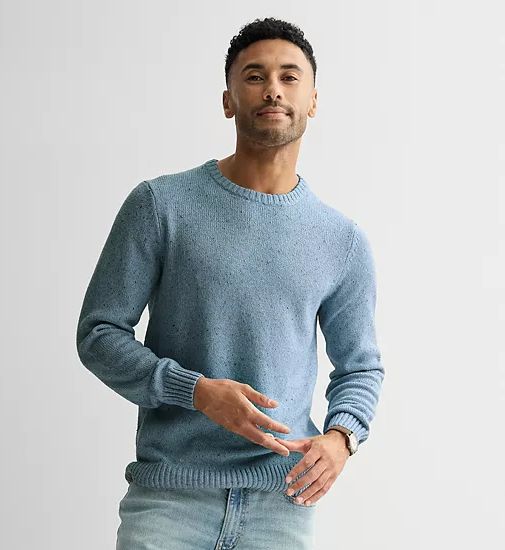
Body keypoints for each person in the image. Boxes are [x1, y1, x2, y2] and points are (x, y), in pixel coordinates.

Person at [76, 16, 385, 550]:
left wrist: (342, 437)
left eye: (290, 77)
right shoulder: (160, 206)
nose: (273, 89)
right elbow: (99, 334)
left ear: (313, 100)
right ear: (228, 100)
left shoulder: (342, 240)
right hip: (169, 500)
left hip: (282, 504)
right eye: (254, 76)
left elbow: (360, 366)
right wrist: (194, 391)